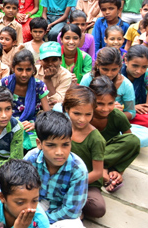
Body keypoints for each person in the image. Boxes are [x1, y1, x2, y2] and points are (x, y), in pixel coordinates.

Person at [21, 111, 88, 226]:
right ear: (39, 144)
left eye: (65, 145)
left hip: (59, 215)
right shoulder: (31, 159)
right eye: (51, 145)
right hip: (35, 206)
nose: (59, 152)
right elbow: (20, 190)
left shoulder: (78, 169)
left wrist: (41, 221)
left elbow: (71, 211)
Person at [89, 76, 141, 194]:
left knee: (134, 140)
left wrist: (119, 171)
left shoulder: (117, 116)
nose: (105, 109)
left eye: (110, 103)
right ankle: (100, 170)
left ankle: (107, 171)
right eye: (100, 104)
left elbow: (129, 145)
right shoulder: (85, 114)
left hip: (107, 154)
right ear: (90, 99)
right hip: (88, 153)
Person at [62, 85, 106, 218]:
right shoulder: (62, 128)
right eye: (77, 113)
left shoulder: (96, 139)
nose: (82, 119)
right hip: (61, 176)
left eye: (88, 114)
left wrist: (73, 183)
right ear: (66, 109)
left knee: (97, 208)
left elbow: (97, 172)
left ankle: (73, 205)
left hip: (86, 182)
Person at [0, 50, 50, 149]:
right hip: (7, 120)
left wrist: (35, 125)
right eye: (20, 69)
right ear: (13, 68)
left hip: (30, 123)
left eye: (28, 69)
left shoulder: (39, 86)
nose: (24, 74)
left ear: (33, 69)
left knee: (36, 143)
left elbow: (48, 114)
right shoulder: (5, 83)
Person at [80, 47, 136, 120]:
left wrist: (115, 113)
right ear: (97, 65)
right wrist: (105, 110)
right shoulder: (88, 79)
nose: (109, 74)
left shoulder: (126, 84)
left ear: (120, 67)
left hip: (113, 120)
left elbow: (131, 112)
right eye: (105, 69)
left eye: (114, 69)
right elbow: (79, 105)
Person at [36, 42, 74, 109]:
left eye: (54, 60)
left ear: (60, 60)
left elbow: (58, 101)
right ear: (40, 61)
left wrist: (48, 80)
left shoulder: (66, 76)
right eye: (46, 60)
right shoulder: (34, 71)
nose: (50, 64)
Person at [122, 45, 148, 127]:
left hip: (141, 114)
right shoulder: (117, 75)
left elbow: (146, 106)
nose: (139, 71)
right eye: (135, 66)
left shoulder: (147, 75)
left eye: (144, 67)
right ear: (126, 60)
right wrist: (132, 107)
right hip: (122, 112)